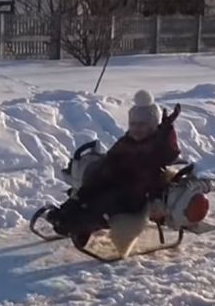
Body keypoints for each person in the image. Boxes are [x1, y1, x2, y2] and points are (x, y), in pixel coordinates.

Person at [51, 89, 182, 256]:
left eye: (142, 125)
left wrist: (166, 130)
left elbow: (170, 152)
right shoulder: (127, 141)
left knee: (101, 203)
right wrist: (97, 175)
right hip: (115, 184)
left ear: (151, 127)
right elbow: (110, 158)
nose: (137, 129)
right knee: (86, 193)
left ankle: (80, 225)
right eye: (133, 124)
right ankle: (63, 215)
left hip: (134, 195)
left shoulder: (155, 146)